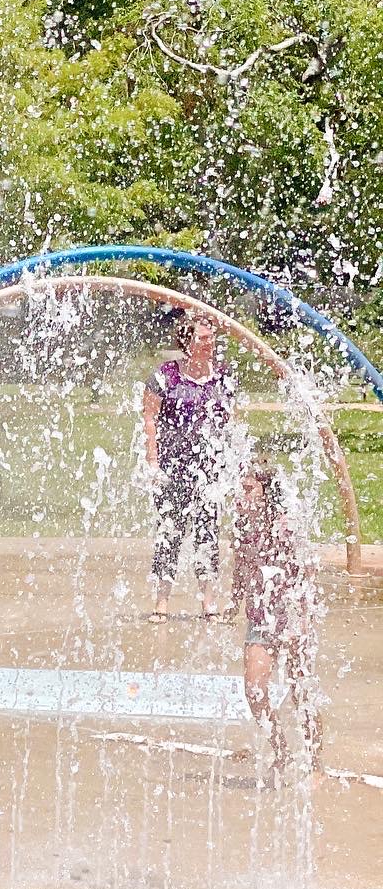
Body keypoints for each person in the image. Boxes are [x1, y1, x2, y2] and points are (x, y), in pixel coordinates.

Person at [142, 312, 236, 622]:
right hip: (173, 466)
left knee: (207, 533)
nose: (210, 343)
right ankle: (162, 602)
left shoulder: (222, 375)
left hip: (209, 468)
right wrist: (153, 463)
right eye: (203, 338)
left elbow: (230, 423)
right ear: (187, 341)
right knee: (170, 531)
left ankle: (208, 601)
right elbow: (149, 420)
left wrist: (232, 462)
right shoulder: (165, 376)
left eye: (211, 338)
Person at [228, 454, 318, 777]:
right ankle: (282, 752)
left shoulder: (284, 524)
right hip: (260, 615)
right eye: (240, 488)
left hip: (290, 612)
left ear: (266, 493)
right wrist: (234, 600)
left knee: (301, 690)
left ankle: (316, 763)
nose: (241, 495)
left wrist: (304, 618)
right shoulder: (240, 524)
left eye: (249, 489)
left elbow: (306, 570)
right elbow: (240, 564)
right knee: (254, 689)